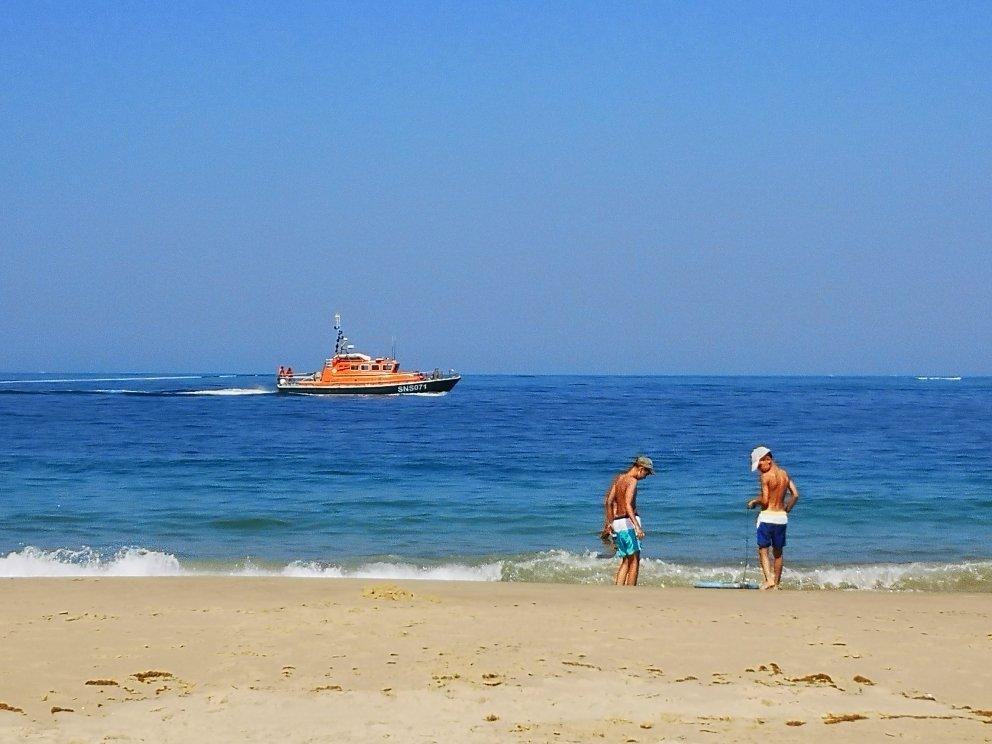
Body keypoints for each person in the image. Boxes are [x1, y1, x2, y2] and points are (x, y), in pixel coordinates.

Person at [746, 446, 799, 590]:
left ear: (768, 460)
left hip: (767, 517)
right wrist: (787, 508)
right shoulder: (784, 474)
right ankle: (777, 583)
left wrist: (754, 502)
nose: (758, 469)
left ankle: (769, 579)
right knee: (778, 552)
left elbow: (765, 500)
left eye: (759, 465)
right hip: (781, 518)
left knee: (763, 549)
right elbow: (795, 495)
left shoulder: (765, 476)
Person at [601, 455, 654, 586]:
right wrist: (637, 526)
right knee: (635, 559)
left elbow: (608, 502)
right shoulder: (632, 481)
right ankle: (631, 592)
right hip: (628, 523)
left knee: (626, 559)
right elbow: (628, 504)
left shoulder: (619, 478)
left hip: (618, 523)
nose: (645, 477)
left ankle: (619, 590)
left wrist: (609, 523)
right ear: (641, 469)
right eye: (646, 474)